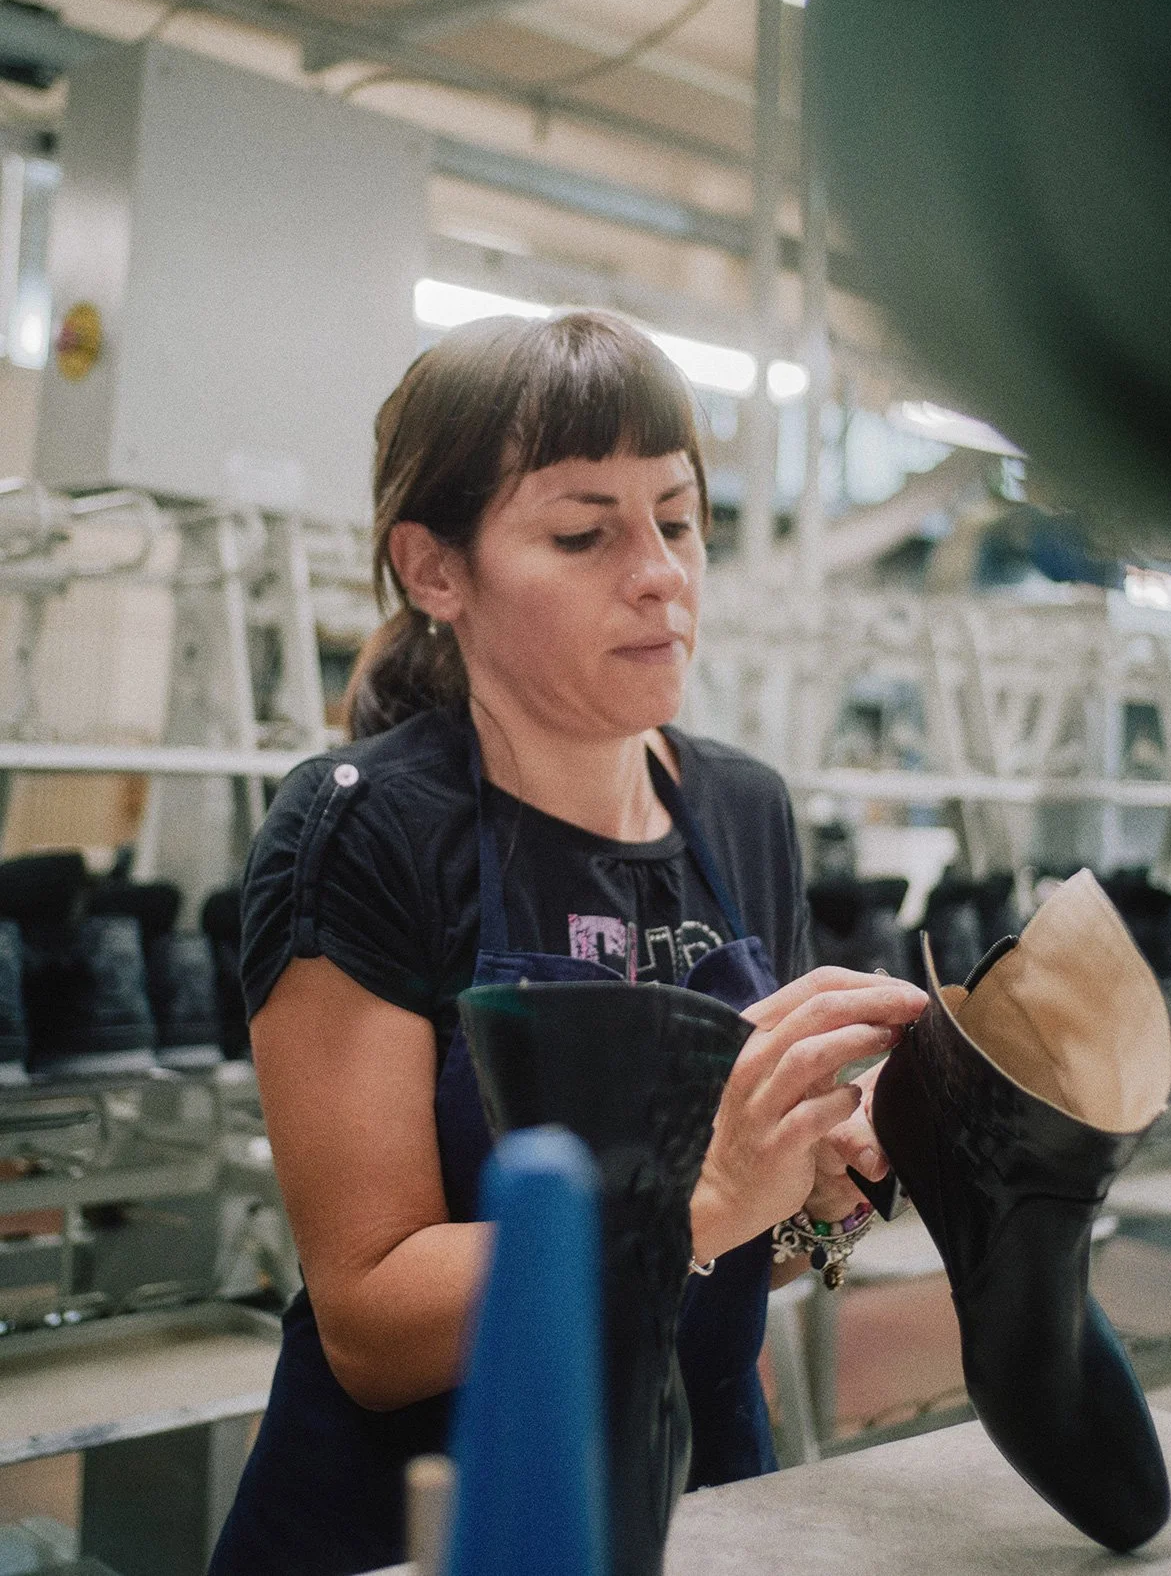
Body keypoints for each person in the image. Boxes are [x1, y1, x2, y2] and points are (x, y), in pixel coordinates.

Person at [209, 311, 925, 1576]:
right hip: (421, 1528)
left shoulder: (742, 808)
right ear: (435, 569)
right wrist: (698, 1197)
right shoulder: (365, 830)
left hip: (694, 1503)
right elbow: (372, 1319)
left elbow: (725, 1258)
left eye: (679, 519)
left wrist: (825, 1185)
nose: (658, 572)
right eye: (584, 532)